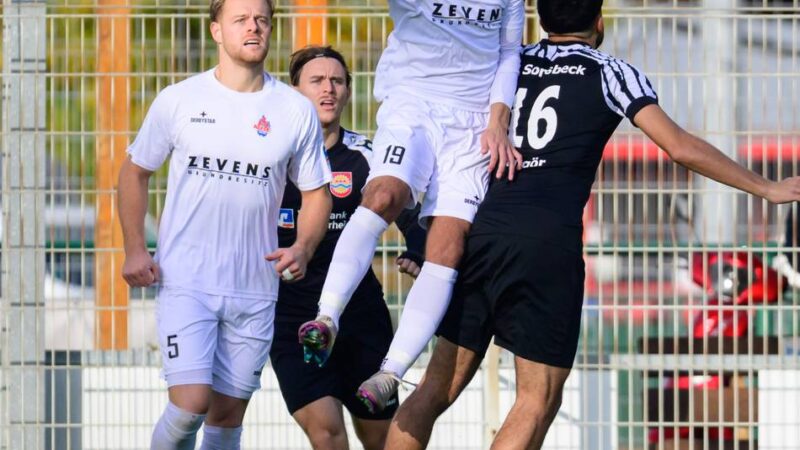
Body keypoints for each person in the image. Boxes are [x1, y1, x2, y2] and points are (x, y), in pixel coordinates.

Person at [383, 0, 800, 448]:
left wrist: (422, 230)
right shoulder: (611, 72)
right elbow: (679, 146)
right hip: (546, 244)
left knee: (435, 389)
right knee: (536, 399)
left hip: (480, 232)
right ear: (599, 22)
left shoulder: (504, 64)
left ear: (541, 20)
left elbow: (436, 136)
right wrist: (767, 188)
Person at [117, 0, 333, 448]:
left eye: (262, 20)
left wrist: (304, 248)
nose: (253, 28)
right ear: (217, 31)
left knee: (226, 418)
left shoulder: (294, 110)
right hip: (187, 280)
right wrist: (135, 248)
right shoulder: (179, 99)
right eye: (240, 20)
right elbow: (134, 172)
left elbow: (317, 193)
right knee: (190, 404)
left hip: (254, 287)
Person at [298, 0, 526, 414]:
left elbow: (509, 51)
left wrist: (498, 119)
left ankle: (391, 371)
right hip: (413, 104)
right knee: (384, 195)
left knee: (449, 246)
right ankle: (326, 318)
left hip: (473, 125)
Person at [269, 45, 425, 450]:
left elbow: (401, 204)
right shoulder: (270, 157)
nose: (329, 90)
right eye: (317, 81)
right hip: (292, 317)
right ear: (294, 91)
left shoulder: (365, 154)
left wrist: (419, 244)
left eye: (337, 81)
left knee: (383, 440)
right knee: (327, 434)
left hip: (360, 316)